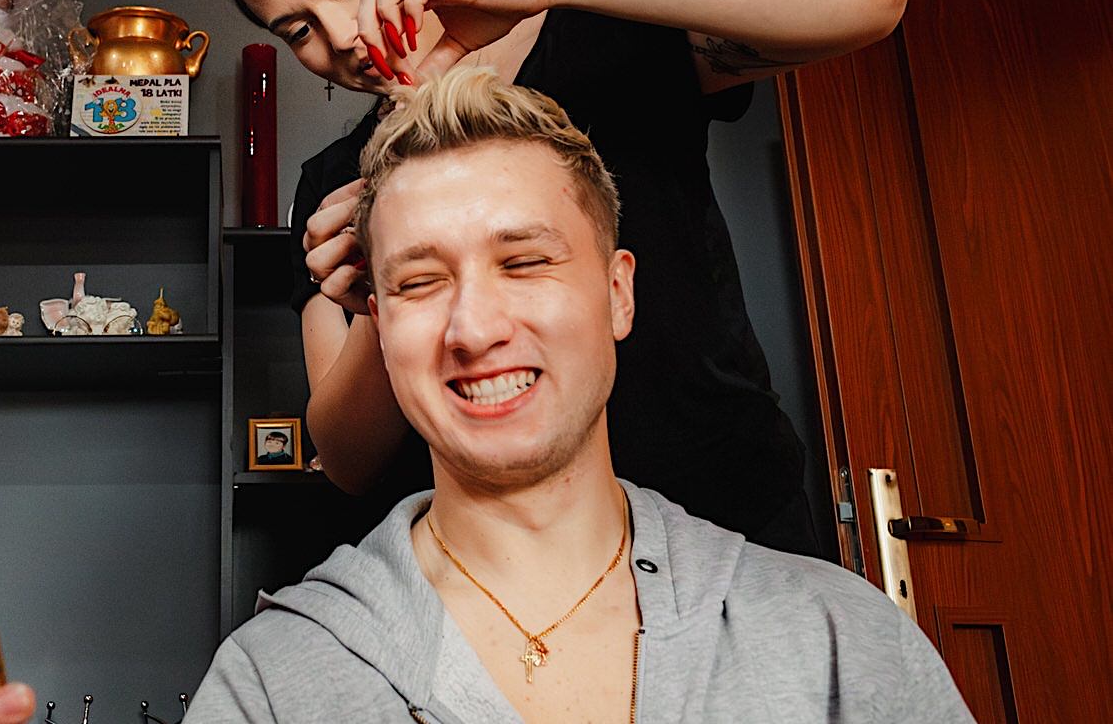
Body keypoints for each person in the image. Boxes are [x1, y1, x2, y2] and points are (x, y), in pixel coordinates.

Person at [184, 67, 971, 723]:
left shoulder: (837, 642)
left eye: (524, 262)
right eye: (420, 282)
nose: (474, 328)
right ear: (381, 331)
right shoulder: (271, 687)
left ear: (618, 294)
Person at [223, 0, 909, 553]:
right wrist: (386, 290)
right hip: (500, 560)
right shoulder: (331, 187)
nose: (340, 35)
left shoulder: (602, 34)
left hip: (726, 517)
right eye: (298, 30)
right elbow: (347, 464)